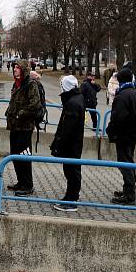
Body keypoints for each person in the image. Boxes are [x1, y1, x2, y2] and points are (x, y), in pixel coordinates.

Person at [106, 68, 136, 205]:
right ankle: (129, 189)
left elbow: (117, 118)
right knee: (129, 162)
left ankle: (129, 194)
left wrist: (110, 131)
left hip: (124, 135)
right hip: (133, 134)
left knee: (125, 164)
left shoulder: (122, 96)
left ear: (119, 80)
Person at [5, 60, 42, 196]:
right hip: (14, 126)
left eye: (17, 68)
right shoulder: (16, 83)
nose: (15, 70)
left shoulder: (30, 84)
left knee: (24, 156)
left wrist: (21, 113)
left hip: (25, 128)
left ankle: (28, 185)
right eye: (14, 67)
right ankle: (20, 182)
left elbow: (35, 104)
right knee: (15, 155)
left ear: (24, 70)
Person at [50, 75, 86, 212]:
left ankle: (72, 200)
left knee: (72, 171)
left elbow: (66, 128)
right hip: (74, 143)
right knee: (71, 170)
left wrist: (58, 144)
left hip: (72, 144)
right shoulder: (76, 98)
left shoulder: (72, 103)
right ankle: (70, 196)